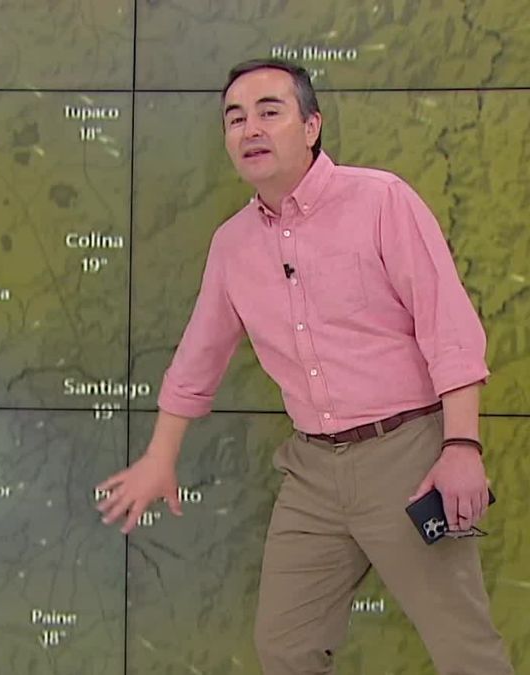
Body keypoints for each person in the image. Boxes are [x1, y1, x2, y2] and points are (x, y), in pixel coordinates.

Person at [96, 58, 515, 674]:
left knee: (464, 650)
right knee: (285, 647)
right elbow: (197, 360)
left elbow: (448, 329)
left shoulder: (382, 201)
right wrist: (161, 457)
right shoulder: (232, 245)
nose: (250, 129)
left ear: (312, 126)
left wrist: (461, 446)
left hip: (409, 457)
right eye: (235, 118)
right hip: (312, 471)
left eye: (270, 112)